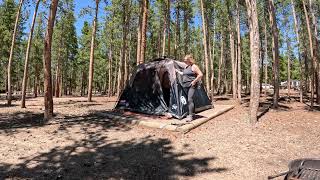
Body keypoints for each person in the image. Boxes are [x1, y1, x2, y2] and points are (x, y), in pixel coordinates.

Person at [176, 54, 203, 121]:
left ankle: (190, 116)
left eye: (185, 60)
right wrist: (177, 71)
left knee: (189, 99)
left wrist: (194, 81)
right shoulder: (186, 67)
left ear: (189, 60)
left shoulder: (194, 66)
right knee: (189, 100)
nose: (184, 61)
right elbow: (184, 74)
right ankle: (192, 113)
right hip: (185, 85)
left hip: (191, 85)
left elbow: (200, 74)